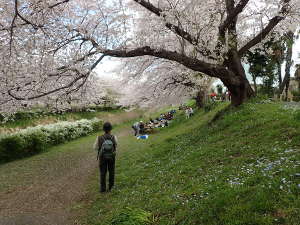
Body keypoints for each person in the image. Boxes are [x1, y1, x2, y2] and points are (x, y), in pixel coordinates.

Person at [94, 122, 117, 193]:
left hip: (102, 158)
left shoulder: (99, 137)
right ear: (111, 129)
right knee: (111, 171)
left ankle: (103, 189)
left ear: (103, 129)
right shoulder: (113, 137)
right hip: (112, 157)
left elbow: (95, 147)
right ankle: (111, 187)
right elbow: (116, 145)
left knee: (103, 173)